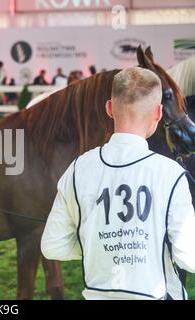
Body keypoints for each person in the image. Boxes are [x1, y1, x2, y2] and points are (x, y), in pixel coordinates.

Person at [41, 66, 195, 300]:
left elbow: (53, 245)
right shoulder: (171, 174)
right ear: (158, 113)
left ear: (110, 108)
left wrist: (101, 246)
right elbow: (189, 256)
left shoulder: (77, 170)